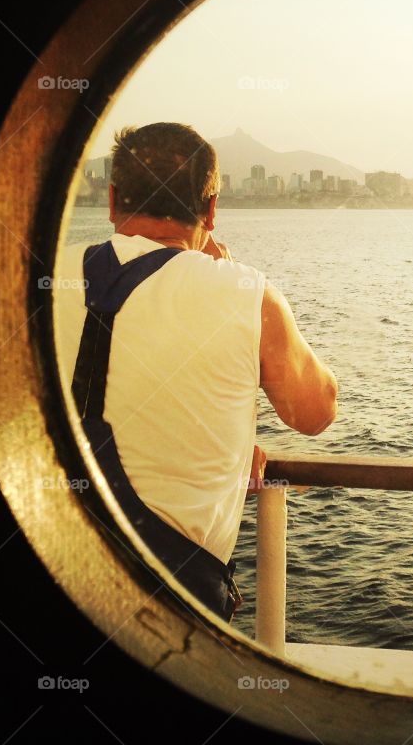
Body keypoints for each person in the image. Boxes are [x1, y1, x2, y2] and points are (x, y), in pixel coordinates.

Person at [54, 122, 338, 620]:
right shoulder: (245, 292)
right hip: (175, 606)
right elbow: (314, 412)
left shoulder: (35, 275)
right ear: (211, 210)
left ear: (113, 199)